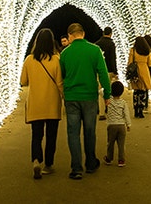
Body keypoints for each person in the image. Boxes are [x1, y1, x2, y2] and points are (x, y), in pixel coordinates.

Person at [59, 22, 111, 180]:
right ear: (83, 34)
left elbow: (63, 74)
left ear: (70, 36)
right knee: (90, 131)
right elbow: (103, 73)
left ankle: (76, 168)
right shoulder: (95, 50)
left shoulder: (65, 53)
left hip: (72, 97)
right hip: (89, 97)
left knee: (73, 133)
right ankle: (90, 163)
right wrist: (107, 95)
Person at [20, 28, 62, 179]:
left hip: (35, 104)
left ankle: (36, 160)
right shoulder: (56, 59)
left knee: (36, 135)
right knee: (51, 136)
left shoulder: (29, 60)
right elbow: (59, 83)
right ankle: (48, 165)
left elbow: (23, 81)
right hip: (52, 104)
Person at [103, 80, 131, 166]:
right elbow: (126, 114)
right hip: (121, 126)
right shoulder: (123, 103)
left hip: (111, 125)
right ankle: (121, 160)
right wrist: (128, 124)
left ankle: (109, 158)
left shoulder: (109, 100)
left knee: (110, 143)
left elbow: (101, 91)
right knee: (121, 144)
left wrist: (107, 90)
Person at [127, 36, 151, 118]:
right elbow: (150, 63)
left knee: (136, 92)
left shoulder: (133, 50)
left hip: (136, 73)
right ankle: (141, 110)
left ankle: (136, 110)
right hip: (144, 72)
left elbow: (130, 62)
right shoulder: (147, 51)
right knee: (143, 92)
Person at [95, 27, 117, 119]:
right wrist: (115, 71)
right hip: (109, 70)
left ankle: (101, 112)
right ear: (111, 33)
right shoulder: (111, 44)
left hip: (99, 70)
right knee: (108, 89)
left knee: (100, 90)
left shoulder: (97, 44)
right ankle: (109, 108)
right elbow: (112, 58)